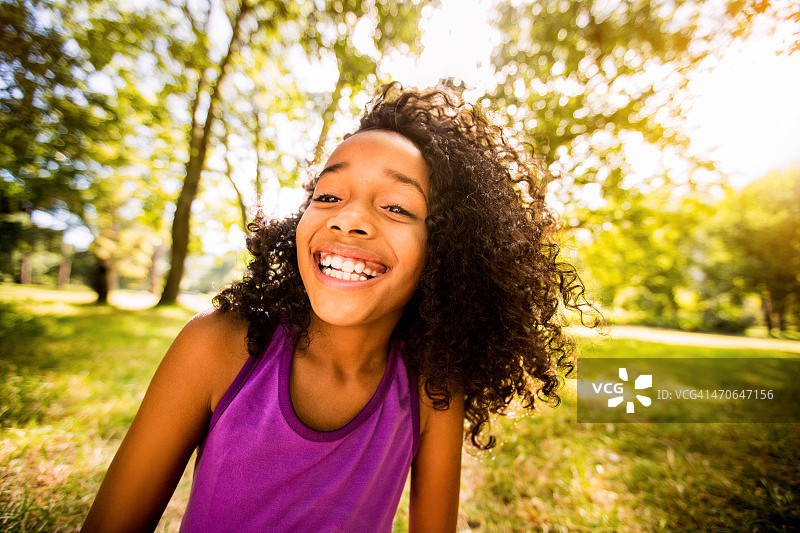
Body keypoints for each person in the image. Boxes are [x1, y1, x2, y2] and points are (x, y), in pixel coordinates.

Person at [82, 83, 596, 532]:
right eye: (328, 196)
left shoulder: (431, 387)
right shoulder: (219, 345)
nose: (349, 219)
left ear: (447, 250)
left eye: (396, 207)